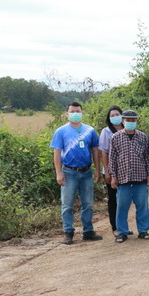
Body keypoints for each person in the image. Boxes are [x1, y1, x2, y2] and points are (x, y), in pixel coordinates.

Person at [50, 102, 102, 244]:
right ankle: (68, 232)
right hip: (69, 172)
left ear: (82, 112)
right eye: (72, 111)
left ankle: (88, 231)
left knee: (88, 203)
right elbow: (57, 152)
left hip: (86, 172)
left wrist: (97, 170)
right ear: (67, 114)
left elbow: (95, 151)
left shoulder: (90, 130)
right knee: (67, 204)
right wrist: (58, 173)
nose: (75, 113)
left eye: (77, 111)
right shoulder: (61, 131)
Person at [109, 110, 149, 243]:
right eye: (128, 120)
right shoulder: (116, 137)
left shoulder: (142, 137)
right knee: (122, 207)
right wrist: (113, 176)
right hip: (123, 178)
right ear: (123, 121)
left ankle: (143, 230)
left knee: (142, 206)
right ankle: (122, 232)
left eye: (133, 120)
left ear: (136, 121)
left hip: (140, 177)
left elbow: (147, 157)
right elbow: (113, 158)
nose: (130, 122)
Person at [99, 105, 124, 236]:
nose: (115, 117)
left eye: (117, 114)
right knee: (113, 199)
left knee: (124, 199)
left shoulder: (128, 128)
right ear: (109, 118)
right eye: (112, 115)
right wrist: (108, 171)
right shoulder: (106, 132)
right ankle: (115, 227)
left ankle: (123, 226)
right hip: (111, 171)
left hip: (125, 171)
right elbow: (104, 152)